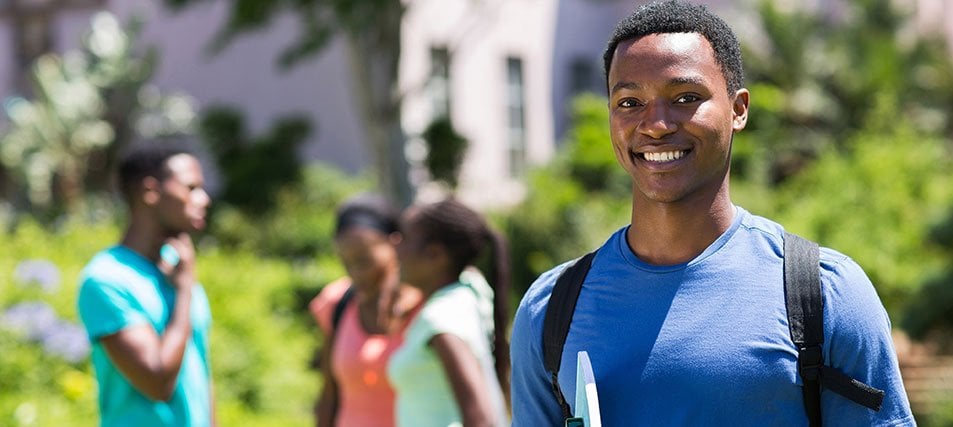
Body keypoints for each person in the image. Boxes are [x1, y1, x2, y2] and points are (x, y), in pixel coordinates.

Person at [509, 1, 915, 425]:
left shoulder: (825, 294)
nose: (657, 124)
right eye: (629, 102)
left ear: (738, 109)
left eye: (685, 97)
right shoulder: (551, 309)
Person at [77, 142, 215, 426]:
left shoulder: (177, 269)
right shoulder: (107, 280)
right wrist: (184, 291)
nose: (204, 199)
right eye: (191, 188)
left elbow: (201, 377)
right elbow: (157, 383)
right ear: (150, 191)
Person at [389, 198, 510, 426]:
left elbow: (480, 419)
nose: (394, 244)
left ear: (435, 254)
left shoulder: (441, 319)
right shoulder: (469, 290)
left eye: (404, 238)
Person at [308, 194, 423, 427]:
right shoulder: (337, 303)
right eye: (345, 263)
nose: (354, 273)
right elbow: (329, 395)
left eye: (364, 261)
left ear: (395, 243)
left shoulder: (426, 308)